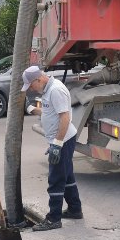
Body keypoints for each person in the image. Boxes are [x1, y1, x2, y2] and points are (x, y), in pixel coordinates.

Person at [22, 65, 83, 231]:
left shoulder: (56, 90)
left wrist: (57, 144)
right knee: (67, 176)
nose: (32, 90)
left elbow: (65, 117)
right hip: (61, 140)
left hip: (63, 140)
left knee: (55, 178)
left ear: (38, 79)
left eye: (31, 86)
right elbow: (49, 113)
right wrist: (30, 108)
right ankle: (75, 209)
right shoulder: (48, 90)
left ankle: (53, 219)